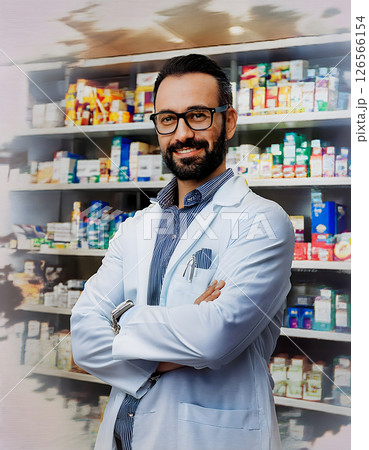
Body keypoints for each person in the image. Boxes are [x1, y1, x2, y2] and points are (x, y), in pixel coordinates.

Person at [71, 54, 295, 450]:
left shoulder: (263, 221)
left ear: (228, 121)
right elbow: (85, 339)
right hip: (122, 435)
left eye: (197, 115)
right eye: (168, 119)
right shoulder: (136, 225)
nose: (182, 134)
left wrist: (120, 320)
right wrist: (186, 326)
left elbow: (213, 336)